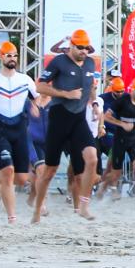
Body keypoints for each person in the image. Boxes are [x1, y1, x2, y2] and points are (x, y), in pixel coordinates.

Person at [32, 29, 98, 223]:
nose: (83, 51)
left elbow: (90, 87)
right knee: (50, 170)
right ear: (71, 46)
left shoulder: (90, 63)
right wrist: (65, 94)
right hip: (59, 116)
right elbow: (40, 86)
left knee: (91, 159)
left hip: (78, 118)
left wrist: (94, 104)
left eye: (86, 48)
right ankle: (37, 210)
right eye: (80, 47)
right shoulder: (59, 62)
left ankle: (84, 206)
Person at [0, 41, 37, 224]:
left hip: (19, 129)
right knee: (9, 171)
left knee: (21, 179)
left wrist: (37, 105)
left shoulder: (25, 80)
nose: (12, 58)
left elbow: (40, 96)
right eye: (8, 55)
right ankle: (12, 217)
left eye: (14, 55)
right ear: (1, 57)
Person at [102, 76, 135, 206]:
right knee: (116, 171)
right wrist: (121, 124)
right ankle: (109, 189)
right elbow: (106, 117)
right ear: (132, 90)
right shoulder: (123, 100)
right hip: (120, 140)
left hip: (134, 140)